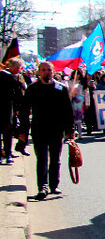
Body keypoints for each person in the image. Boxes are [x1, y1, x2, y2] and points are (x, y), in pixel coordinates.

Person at [23, 63, 74, 199]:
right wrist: (22, 130)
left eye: (49, 70)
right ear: (39, 72)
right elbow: (25, 110)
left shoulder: (61, 88)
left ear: (53, 71)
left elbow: (68, 110)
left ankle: (54, 185)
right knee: (42, 159)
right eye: (43, 70)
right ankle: (42, 187)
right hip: (39, 128)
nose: (46, 72)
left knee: (55, 158)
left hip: (56, 129)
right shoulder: (32, 89)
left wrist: (70, 129)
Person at [0, 59, 22, 163]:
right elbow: (17, 94)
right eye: (18, 67)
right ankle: (6, 154)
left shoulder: (14, 77)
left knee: (7, 133)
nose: (19, 70)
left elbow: (17, 94)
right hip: (7, 108)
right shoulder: (7, 76)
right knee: (6, 132)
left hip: (9, 108)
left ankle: (7, 153)